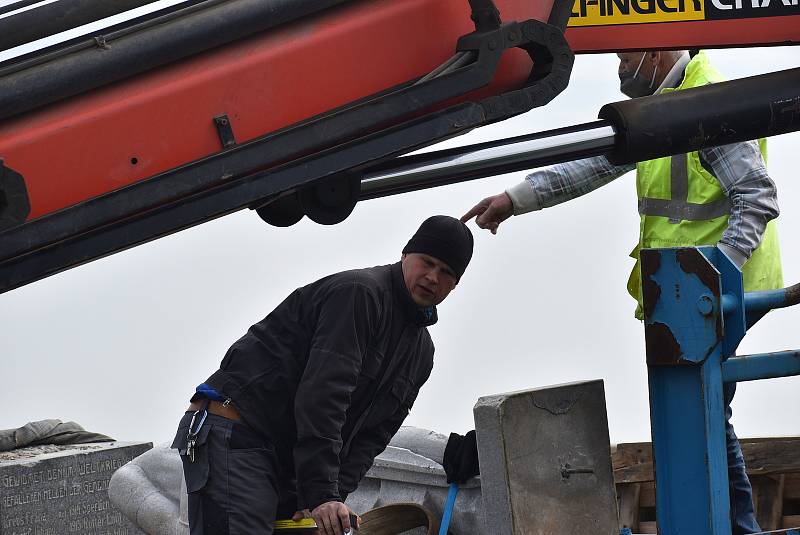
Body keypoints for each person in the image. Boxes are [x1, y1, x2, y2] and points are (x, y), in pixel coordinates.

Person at [461, 50, 783, 534]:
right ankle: (737, 525)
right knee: (705, 410)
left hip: (711, 294)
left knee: (702, 409)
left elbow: (756, 196)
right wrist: (516, 199)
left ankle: (737, 527)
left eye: (624, 54)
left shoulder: (703, 102)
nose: (617, 66)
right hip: (682, 297)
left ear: (655, 53)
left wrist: (713, 279)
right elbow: (595, 164)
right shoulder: (665, 107)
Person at [171, 215, 473, 535]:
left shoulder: (421, 353)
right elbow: (323, 397)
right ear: (405, 255)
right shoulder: (360, 295)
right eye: (427, 262)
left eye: (446, 272)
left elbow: (370, 439)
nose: (432, 277)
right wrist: (321, 494)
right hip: (237, 432)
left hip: (287, 456)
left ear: (455, 284)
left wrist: (333, 498)